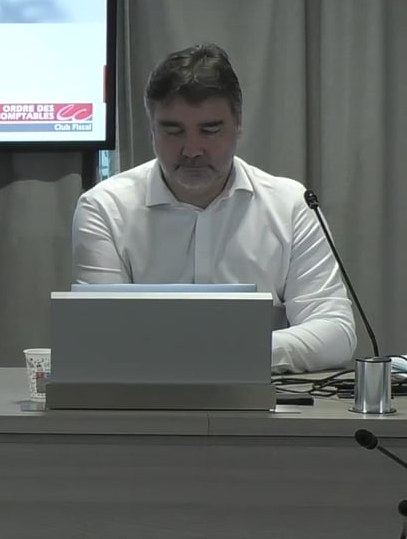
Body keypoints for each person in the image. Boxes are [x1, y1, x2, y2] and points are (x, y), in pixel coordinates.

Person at [71, 43, 355, 373]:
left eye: (210, 130)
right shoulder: (104, 209)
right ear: (151, 129)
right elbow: (102, 336)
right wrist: (224, 352)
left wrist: (231, 353)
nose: (192, 150)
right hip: (142, 400)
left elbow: (336, 332)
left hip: (264, 399)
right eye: (173, 131)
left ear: (239, 125)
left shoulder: (292, 206)